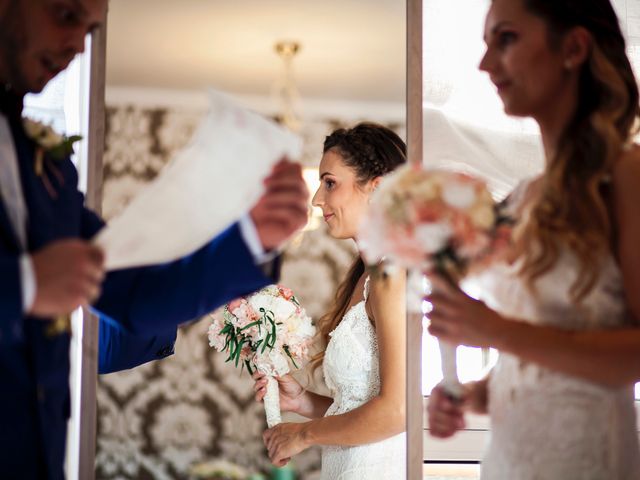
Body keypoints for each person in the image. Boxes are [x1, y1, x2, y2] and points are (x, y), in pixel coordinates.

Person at [0, 0, 309, 478]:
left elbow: (136, 297)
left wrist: (254, 235)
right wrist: (23, 285)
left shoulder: (48, 167)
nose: (77, 45)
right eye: (65, 16)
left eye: (90, 29)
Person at [426, 0, 640, 478]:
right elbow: (533, 354)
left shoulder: (628, 175)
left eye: (506, 39)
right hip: (508, 460)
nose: (485, 65)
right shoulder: (523, 198)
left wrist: (492, 330)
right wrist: (473, 395)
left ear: (574, 47)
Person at [253, 123, 407, 479]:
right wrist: (302, 401)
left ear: (377, 187)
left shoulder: (392, 276)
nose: (316, 200)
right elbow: (360, 408)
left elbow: (398, 411)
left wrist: (302, 435)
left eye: (330, 183)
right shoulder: (366, 278)